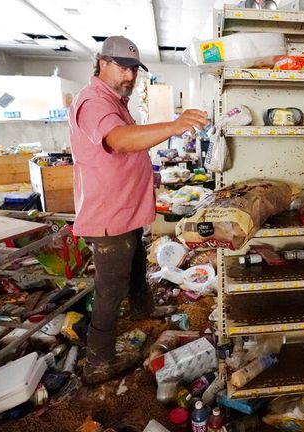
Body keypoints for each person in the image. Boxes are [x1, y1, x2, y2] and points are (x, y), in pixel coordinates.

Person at [68, 36, 209, 385]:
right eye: (123, 67)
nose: (130, 75)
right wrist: (174, 125)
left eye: (133, 69)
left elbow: (126, 147)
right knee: (110, 287)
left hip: (125, 208)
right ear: (102, 63)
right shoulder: (94, 101)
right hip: (107, 212)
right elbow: (118, 140)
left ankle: (143, 308)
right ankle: (98, 361)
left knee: (134, 264)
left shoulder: (115, 99)